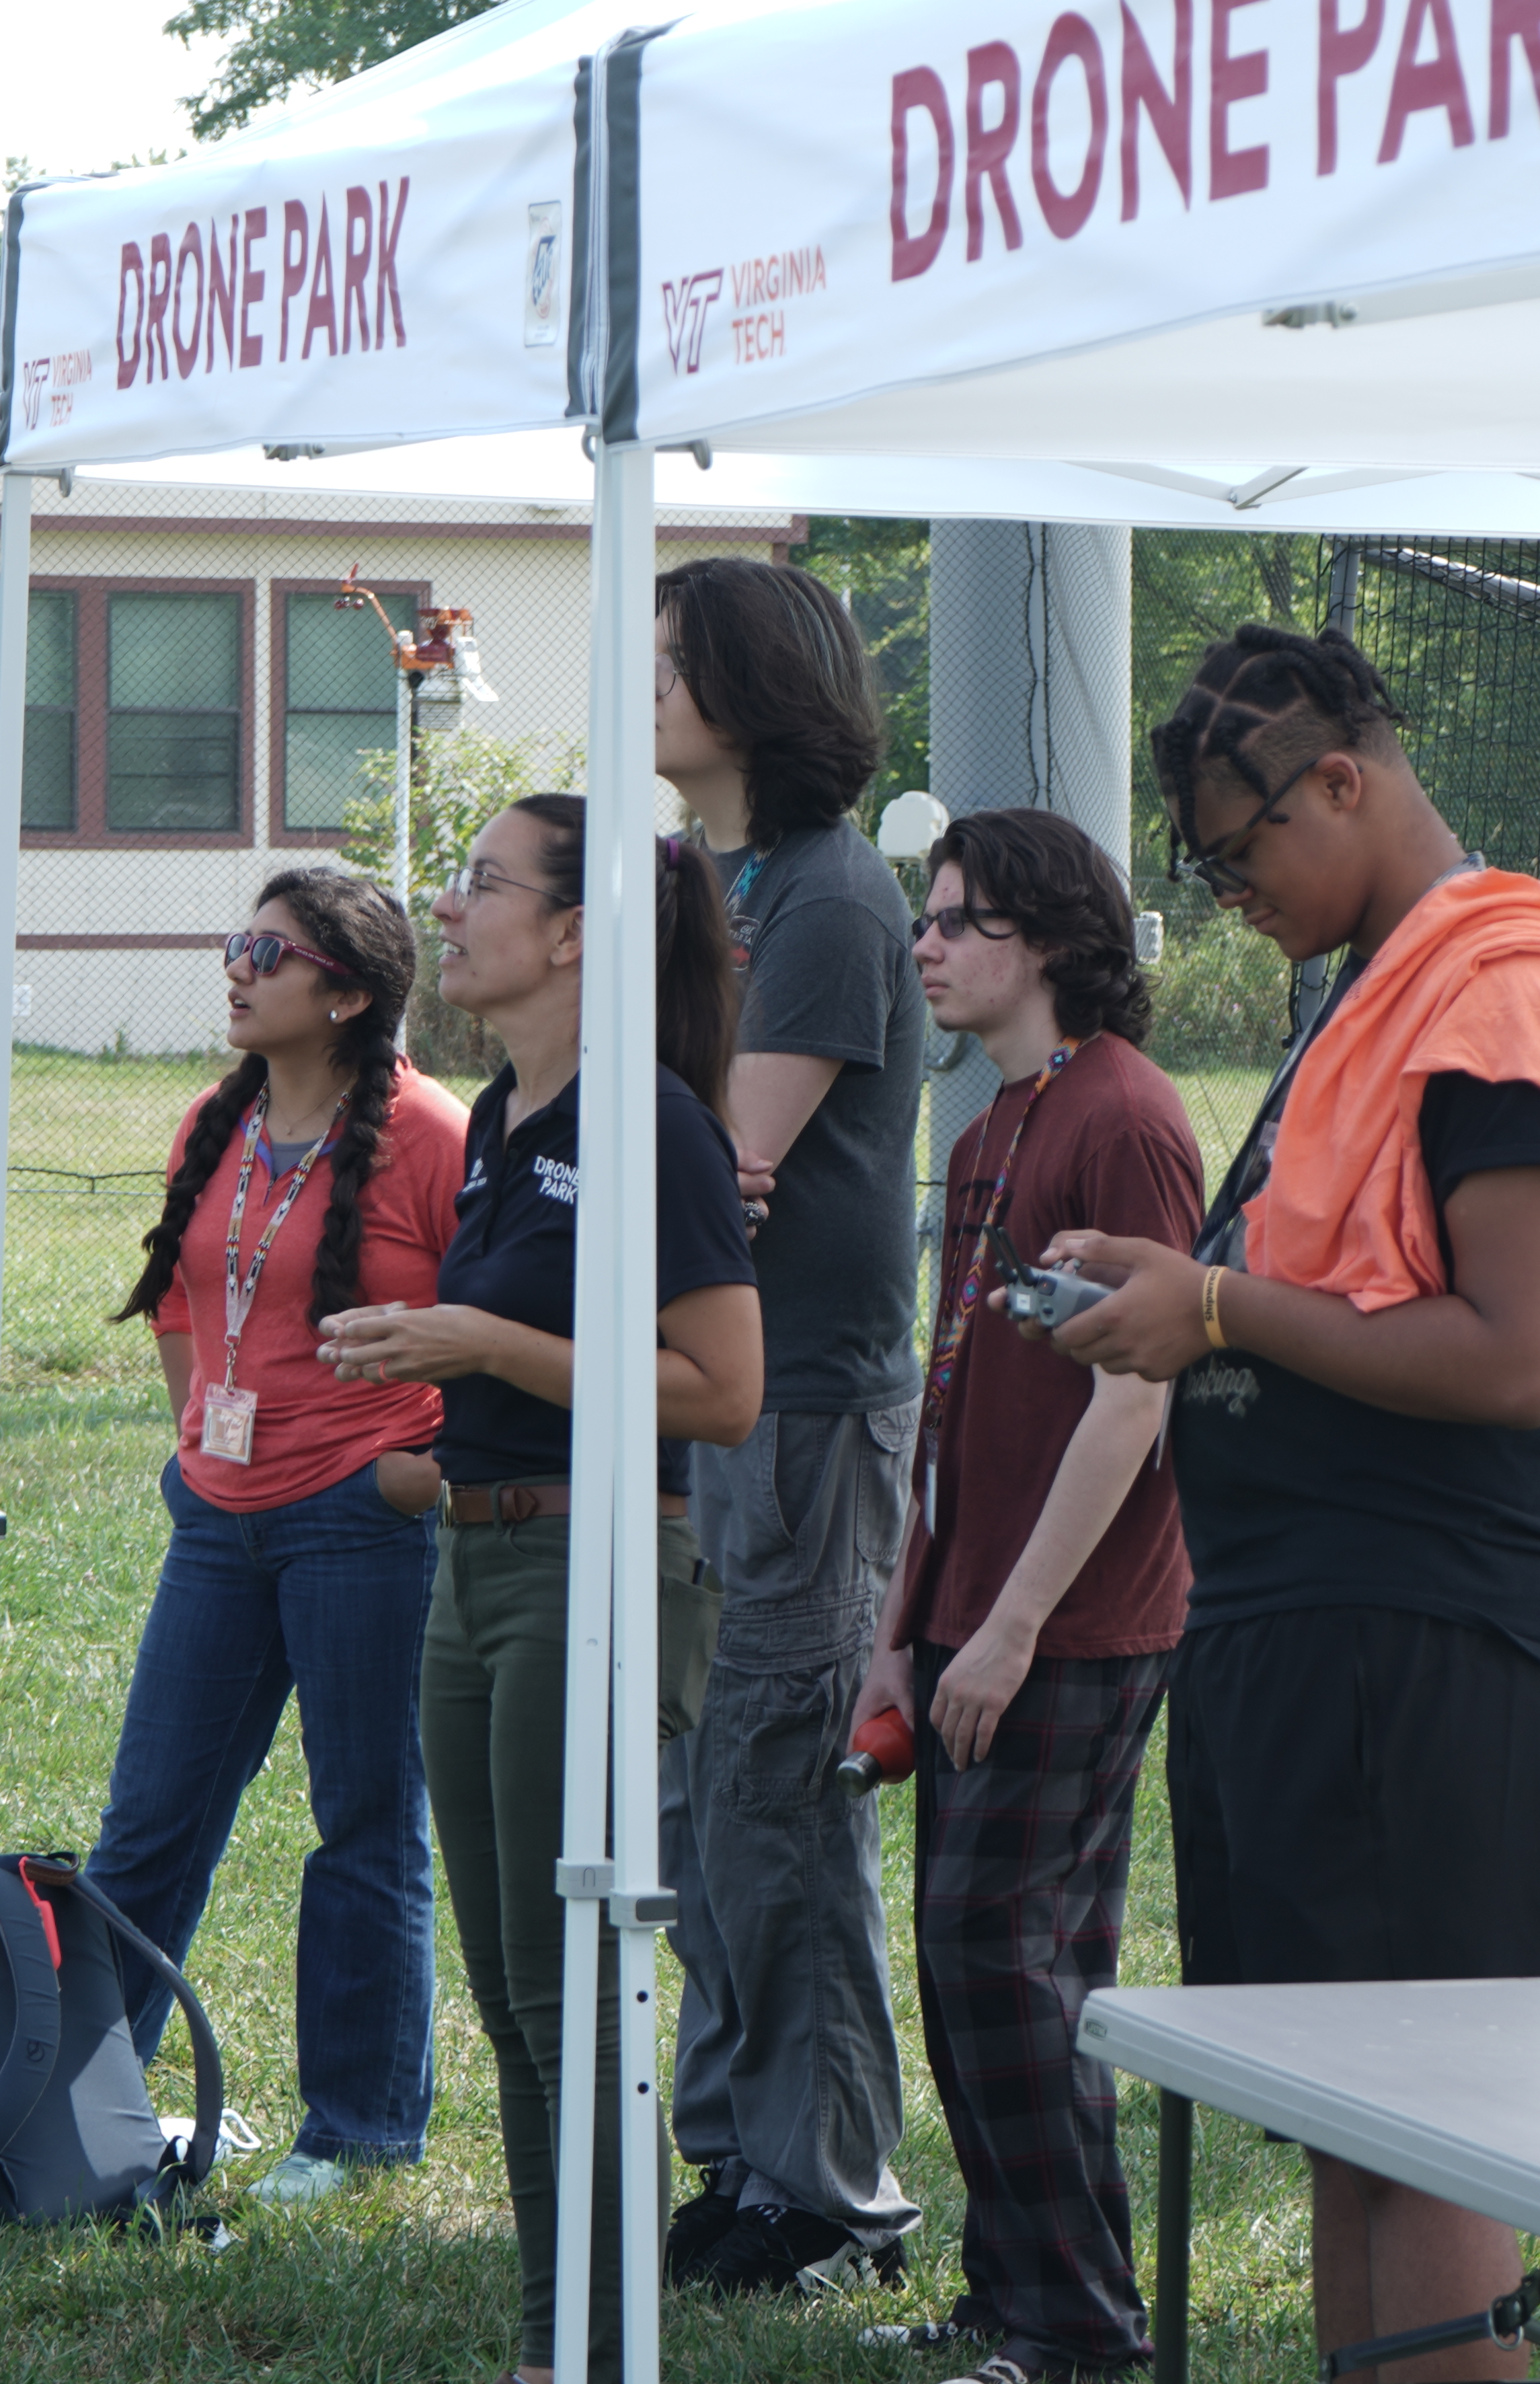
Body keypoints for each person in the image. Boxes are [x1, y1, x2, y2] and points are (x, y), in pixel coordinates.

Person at [1040, 624, 1540, 2384]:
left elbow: (1516, 1357)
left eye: (1243, 851)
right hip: (1294, 1632)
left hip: (1414, 1645)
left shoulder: (1504, 1001)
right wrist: (1187, 1277)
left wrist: (1222, 1307)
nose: (1233, 891)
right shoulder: (1380, 988)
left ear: (1343, 778)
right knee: (1346, 2114)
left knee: (1434, 2116)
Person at [322, 796, 767, 2384]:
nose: (447, 908)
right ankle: (556, 2340)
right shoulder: (507, 1118)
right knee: (517, 1998)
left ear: (576, 931)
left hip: (598, 1566)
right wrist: (433, 1440)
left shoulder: (649, 1120)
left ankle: (595, 2348)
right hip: (482, 1555)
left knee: (565, 1982)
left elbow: (720, 1390)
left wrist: (480, 1346)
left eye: (482, 884)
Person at [852, 808, 1206, 2384]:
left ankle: (1079, 2328)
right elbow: (956, 1394)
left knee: (1012, 1955)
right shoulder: (994, 1114)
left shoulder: (1120, 1116)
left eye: (959, 920)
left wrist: (1004, 1626)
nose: (926, 943)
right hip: (966, 1606)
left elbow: (1135, 1406)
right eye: (924, 920)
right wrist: (908, 1610)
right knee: (967, 1957)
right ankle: (1012, 2289)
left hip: (1068, 1620)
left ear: (1050, 940)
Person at [76, 866, 468, 2204]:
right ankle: (87, 2108)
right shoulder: (216, 1119)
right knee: (147, 1823)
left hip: (363, 1523)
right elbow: (183, 1296)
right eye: (238, 944)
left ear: (348, 992)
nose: (237, 968)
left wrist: (413, 1478)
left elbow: (502, 1322)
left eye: (271, 951)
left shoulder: (432, 1135)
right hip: (221, 1522)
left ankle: (357, 2131)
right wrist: (197, 1445)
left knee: (364, 1825)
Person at [645, 556, 928, 2290]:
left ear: (756, 689)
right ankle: (735, 2157)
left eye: (677, 659)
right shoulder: (694, 877)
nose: (651, 680)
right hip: (705, 1400)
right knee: (695, 1806)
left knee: (776, 1791)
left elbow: (711, 1167)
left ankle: (832, 2189)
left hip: (808, 1404)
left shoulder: (823, 895)